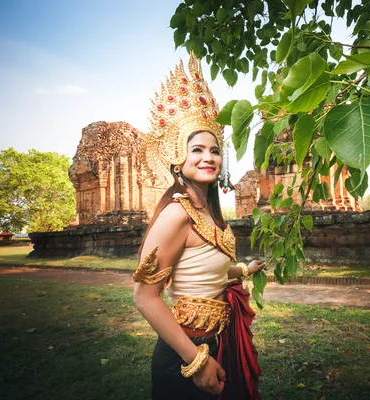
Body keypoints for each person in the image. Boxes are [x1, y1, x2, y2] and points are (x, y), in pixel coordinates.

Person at [133, 53, 265, 399]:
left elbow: (206, 274)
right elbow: (145, 298)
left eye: (215, 150)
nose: (208, 157)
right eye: (197, 149)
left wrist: (243, 270)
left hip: (217, 344)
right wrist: (197, 362)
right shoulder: (177, 214)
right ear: (178, 157)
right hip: (184, 355)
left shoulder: (211, 213)